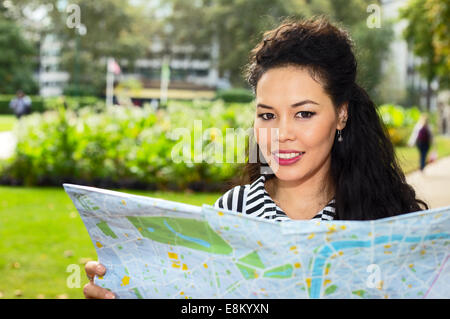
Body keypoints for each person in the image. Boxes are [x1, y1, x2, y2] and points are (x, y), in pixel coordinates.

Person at [83, 16, 429, 299]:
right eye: (267, 115)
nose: (281, 134)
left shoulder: (390, 222)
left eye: (304, 114)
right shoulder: (230, 212)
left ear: (341, 114)